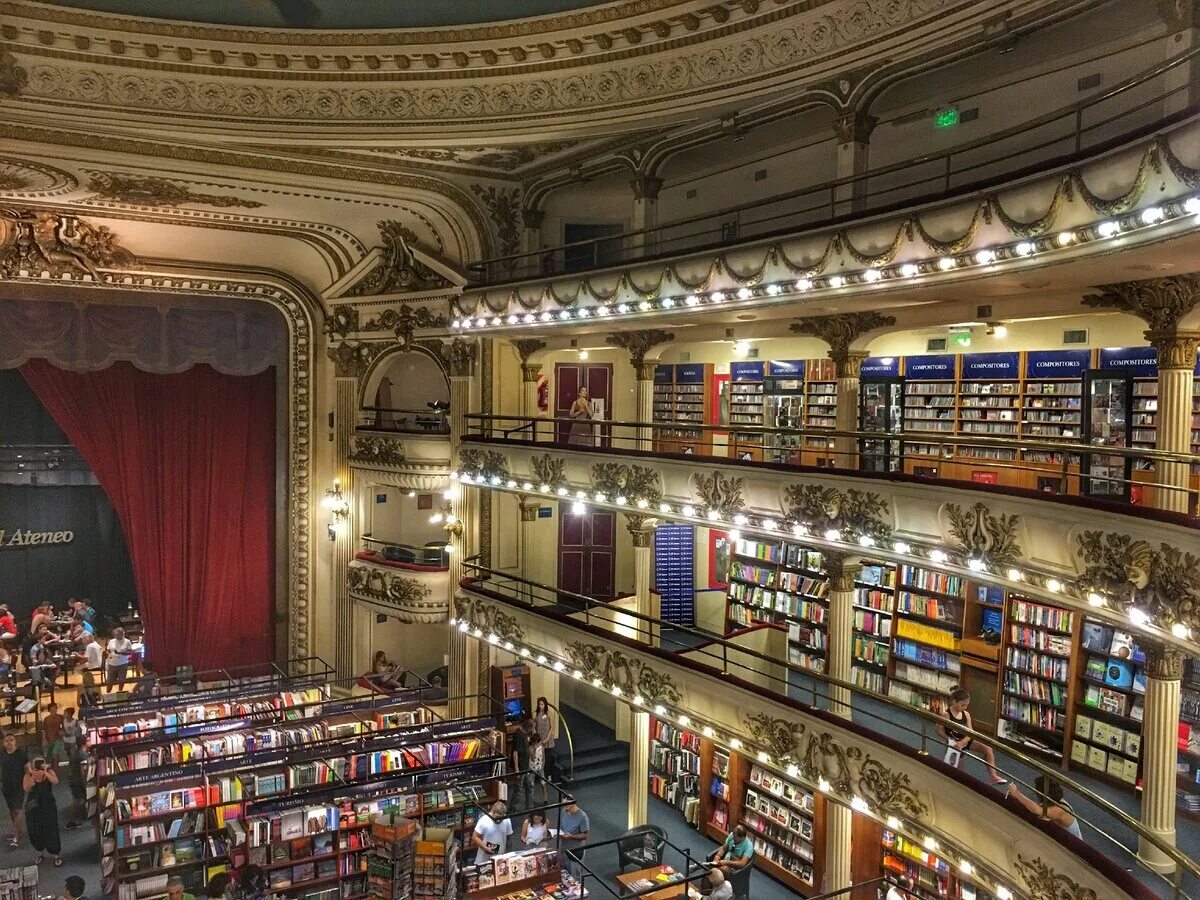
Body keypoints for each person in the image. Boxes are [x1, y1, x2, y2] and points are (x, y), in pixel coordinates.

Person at [935, 687, 1005, 784]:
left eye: (966, 705)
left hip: (965, 740)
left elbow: (970, 732)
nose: (965, 707)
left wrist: (962, 742)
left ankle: (993, 776)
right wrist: (949, 740)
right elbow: (938, 729)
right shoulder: (947, 715)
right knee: (959, 772)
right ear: (954, 702)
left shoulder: (966, 714)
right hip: (955, 744)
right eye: (963, 705)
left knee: (988, 749)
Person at [1006, 775, 1083, 838]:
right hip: (1063, 835)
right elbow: (1034, 807)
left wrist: (1017, 793)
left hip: (1072, 843)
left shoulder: (1059, 809)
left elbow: (1036, 810)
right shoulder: (1053, 801)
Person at [23, 755, 61, 866]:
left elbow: (55, 781)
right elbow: (26, 788)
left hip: (48, 804)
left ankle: (56, 854)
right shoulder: (28, 774)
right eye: (36, 763)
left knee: (51, 827)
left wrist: (45, 772)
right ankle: (40, 852)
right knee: (35, 829)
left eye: (41, 763)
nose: (38, 765)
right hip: (33, 807)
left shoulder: (49, 772)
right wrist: (31, 774)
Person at [0, 733, 26, 848]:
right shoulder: (2, 753)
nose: (9, 742)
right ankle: (18, 830)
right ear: (3, 743)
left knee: (18, 810)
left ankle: (15, 836)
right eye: (6, 740)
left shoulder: (21, 753)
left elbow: (28, 767)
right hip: (6, 786)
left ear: (15, 741)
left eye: (11, 740)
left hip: (19, 786)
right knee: (11, 810)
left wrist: (28, 782)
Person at [557, 795, 590, 879]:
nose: (564, 807)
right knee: (563, 874)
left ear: (573, 803)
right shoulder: (564, 812)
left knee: (574, 877)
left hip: (575, 851)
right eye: (563, 804)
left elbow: (585, 835)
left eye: (567, 804)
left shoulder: (583, 817)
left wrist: (572, 836)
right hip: (563, 848)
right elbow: (561, 827)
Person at [471, 801, 513, 865]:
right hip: (483, 859)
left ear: (504, 815)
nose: (498, 820)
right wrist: (485, 848)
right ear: (492, 812)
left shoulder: (507, 820)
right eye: (496, 817)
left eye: (500, 818)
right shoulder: (484, 820)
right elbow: (475, 837)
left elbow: (509, 838)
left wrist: (509, 855)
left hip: (500, 858)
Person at [510, 717, 532, 811]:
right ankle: (512, 808)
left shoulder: (525, 734)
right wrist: (516, 768)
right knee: (518, 789)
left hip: (526, 765)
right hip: (521, 766)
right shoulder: (519, 735)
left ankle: (529, 805)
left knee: (529, 785)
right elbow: (515, 752)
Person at [533, 696, 556, 779]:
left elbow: (552, 728)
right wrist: (536, 737)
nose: (540, 706)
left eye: (542, 704)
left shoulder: (549, 714)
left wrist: (547, 738)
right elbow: (534, 726)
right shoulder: (536, 714)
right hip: (539, 738)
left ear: (545, 705)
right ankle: (540, 775)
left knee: (547, 758)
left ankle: (548, 775)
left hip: (547, 738)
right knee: (539, 757)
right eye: (539, 704)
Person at [105, 627, 134, 692]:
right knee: (109, 681)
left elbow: (130, 652)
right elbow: (107, 650)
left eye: (118, 635)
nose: (116, 636)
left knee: (121, 680)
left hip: (122, 664)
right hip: (112, 663)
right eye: (115, 635)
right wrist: (109, 654)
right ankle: (108, 694)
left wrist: (120, 653)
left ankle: (120, 692)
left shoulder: (127, 641)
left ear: (122, 634)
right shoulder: (111, 641)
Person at [529, 733, 547, 802]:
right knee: (531, 784)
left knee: (543, 783)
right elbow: (532, 759)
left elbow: (543, 758)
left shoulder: (542, 748)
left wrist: (542, 766)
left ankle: (545, 798)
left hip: (540, 767)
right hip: (532, 768)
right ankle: (531, 798)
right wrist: (533, 751)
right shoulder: (530, 748)